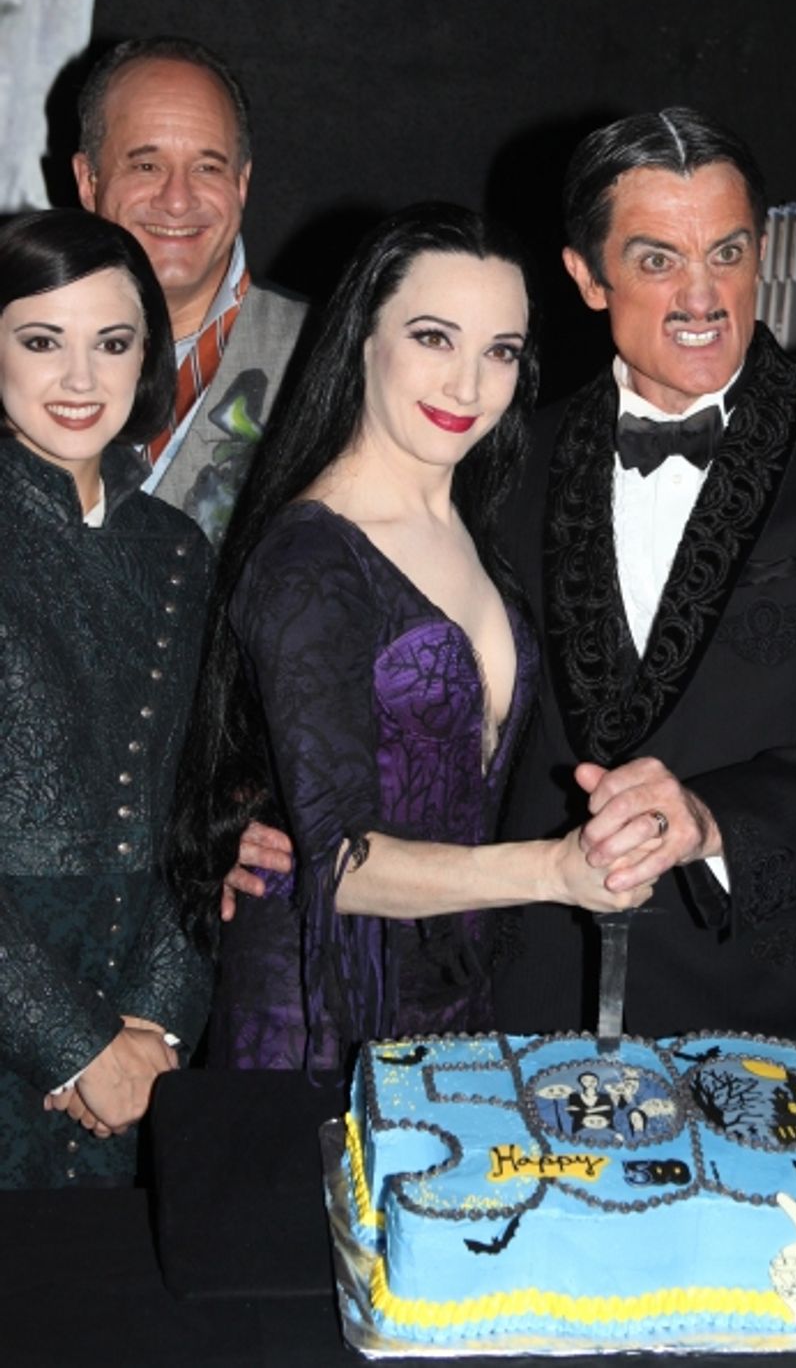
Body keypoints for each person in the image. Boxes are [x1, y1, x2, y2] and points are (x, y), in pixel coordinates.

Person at [487, 108, 796, 1067]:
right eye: (658, 259)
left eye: (729, 252)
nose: (702, 296)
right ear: (587, 275)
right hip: (522, 1003)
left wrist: (706, 816)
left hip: (765, 1014)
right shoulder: (501, 460)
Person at [169, 204, 648, 1072]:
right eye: (434, 338)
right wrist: (550, 871)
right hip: (316, 1022)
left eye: (500, 351)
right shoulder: (310, 555)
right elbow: (343, 866)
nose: (468, 386)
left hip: (451, 1001)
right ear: (363, 338)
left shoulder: (473, 520)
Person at [0, 208, 212, 1187]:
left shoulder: (176, 551)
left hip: (141, 1036)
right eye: (42, 341)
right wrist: (78, 1041)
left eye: (112, 342)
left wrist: (154, 1026)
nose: (80, 380)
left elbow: (194, 810)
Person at [73, 36, 307, 545]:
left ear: (241, 183)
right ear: (88, 181)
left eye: (207, 167)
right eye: (146, 165)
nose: (177, 201)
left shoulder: (329, 358)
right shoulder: (16, 345)